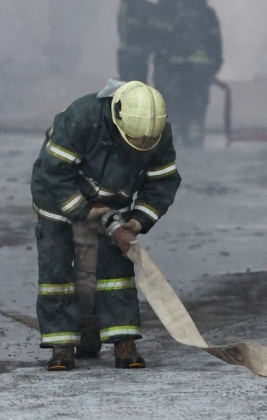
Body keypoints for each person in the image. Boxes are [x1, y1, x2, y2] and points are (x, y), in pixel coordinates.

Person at [30, 79, 181, 370]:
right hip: (57, 200)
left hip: (114, 203)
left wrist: (137, 221)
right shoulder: (83, 117)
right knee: (56, 273)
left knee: (116, 274)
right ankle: (62, 345)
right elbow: (54, 170)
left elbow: (162, 181)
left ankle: (123, 342)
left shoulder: (155, 131)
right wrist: (83, 210)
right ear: (118, 117)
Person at [165, 0, 223, 148]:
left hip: (178, 72)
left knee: (177, 111)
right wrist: (214, 66)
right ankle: (194, 146)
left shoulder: (176, 11)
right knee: (196, 113)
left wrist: (167, 65)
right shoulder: (207, 14)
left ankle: (175, 147)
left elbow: (166, 40)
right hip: (199, 73)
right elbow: (215, 43)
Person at [117, 0, 159, 83]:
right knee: (132, 88)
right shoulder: (129, 3)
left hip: (138, 57)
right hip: (130, 56)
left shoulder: (142, 5)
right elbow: (129, 30)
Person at [152, 0, 188, 101]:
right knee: (174, 93)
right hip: (170, 57)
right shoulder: (176, 6)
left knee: (166, 92)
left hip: (165, 57)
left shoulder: (162, 5)